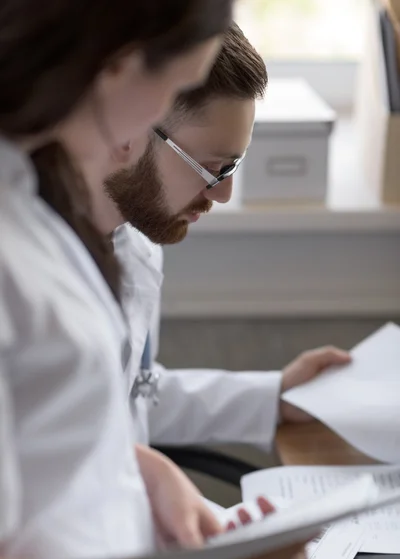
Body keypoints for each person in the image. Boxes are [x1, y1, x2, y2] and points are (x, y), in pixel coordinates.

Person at [0, 2, 310, 559]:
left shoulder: (65, 229)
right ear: (115, 68)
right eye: (169, 87)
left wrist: (145, 468)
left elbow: (83, 409)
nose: (132, 140)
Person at [100, 23, 352, 447]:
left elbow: (131, 397)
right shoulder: (26, 276)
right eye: (212, 167)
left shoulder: (135, 237)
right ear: (128, 131)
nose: (223, 193)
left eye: (232, 168)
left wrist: (273, 397)